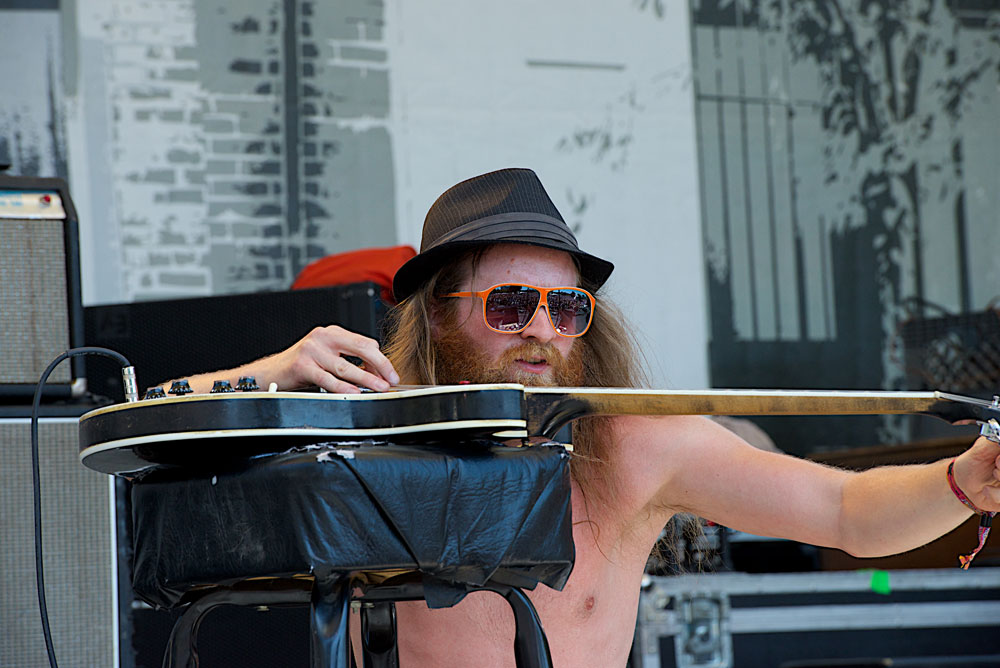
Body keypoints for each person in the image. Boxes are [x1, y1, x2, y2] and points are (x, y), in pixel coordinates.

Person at [172, 168, 1000, 667]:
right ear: (435, 317)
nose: (541, 328)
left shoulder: (636, 443)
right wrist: (262, 376)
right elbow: (132, 441)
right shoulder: (363, 425)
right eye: (508, 304)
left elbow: (844, 512)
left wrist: (965, 481)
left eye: (566, 307)